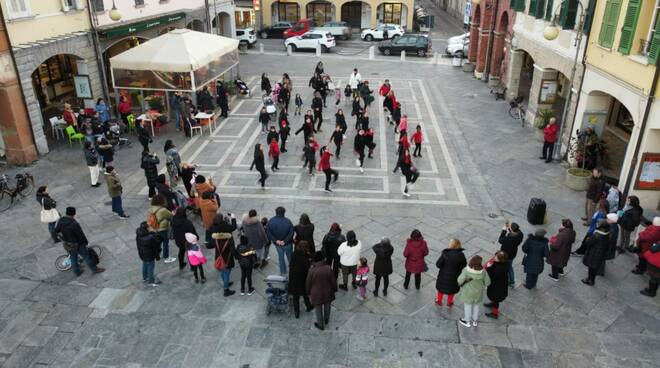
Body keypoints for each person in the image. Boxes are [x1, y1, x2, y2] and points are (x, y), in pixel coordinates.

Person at [54, 207, 106, 276]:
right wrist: (86, 242)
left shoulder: (61, 221)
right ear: (74, 214)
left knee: (73, 257)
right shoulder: (74, 223)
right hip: (78, 244)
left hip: (68, 244)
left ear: (66, 212)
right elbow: (81, 235)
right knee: (86, 257)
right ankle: (94, 269)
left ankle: (77, 271)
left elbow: (56, 231)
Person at [457, 255, 490, 328]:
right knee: (476, 307)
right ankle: (475, 321)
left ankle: (467, 321)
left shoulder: (466, 270)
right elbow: (488, 282)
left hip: (468, 292)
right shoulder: (483, 271)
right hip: (478, 292)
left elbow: (459, 280)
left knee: (468, 306)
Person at [306, 251, 337, 330]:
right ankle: (326, 319)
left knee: (318, 309)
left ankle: (320, 324)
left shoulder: (311, 270)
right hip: (328, 291)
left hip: (316, 293)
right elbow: (333, 280)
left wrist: (308, 291)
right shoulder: (328, 268)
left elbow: (308, 283)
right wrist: (335, 289)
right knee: (327, 306)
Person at [209, 213, 238, 296]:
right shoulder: (228, 239)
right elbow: (233, 250)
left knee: (222, 271)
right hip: (227, 258)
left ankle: (226, 283)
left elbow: (210, 245)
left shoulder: (214, 237)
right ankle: (226, 290)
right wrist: (237, 256)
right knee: (227, 273)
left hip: (218, 257)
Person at [434, 239, 467, 306]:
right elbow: (464, 265)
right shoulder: (461, 255)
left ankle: (439, 300)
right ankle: (450, 302)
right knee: (452, 290)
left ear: (452, 245)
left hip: (443, 276)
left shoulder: (445, 254)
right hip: (455, 276)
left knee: (441, 289)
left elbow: (438, 264)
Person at [266, 206, 295, 275]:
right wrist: (284, 241)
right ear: (284, 212)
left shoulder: (271, 221)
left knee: (280, 257)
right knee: (290, 256)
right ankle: (292, 268)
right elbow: (291, 233)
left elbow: (268, 233)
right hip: (287, 244)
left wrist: (276, 241)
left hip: (278, 245)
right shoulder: (288, 221)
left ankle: (283, 271)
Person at [581, 219, 610, 286]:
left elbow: (588, 242)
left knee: (591, 268)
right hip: (600, 254)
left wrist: (588, 239)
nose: (597, 224)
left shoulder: (597, 235)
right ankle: (591, 279)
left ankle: (590, 280)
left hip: (593, 254)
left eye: (599, 223)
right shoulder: (607, 234)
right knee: (594, 268)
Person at [289, 240, 314, 318]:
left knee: (295, 296)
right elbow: (308, 269)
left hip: (293, 278)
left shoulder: (294, 254)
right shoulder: (305, 257)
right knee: (305, 294)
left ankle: (297, 313)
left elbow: (291, 264)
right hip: (302, 279)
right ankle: (309, 306)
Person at [148, 194, 175, 263]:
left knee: (158, 242)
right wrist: (173, 213)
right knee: (165, 243)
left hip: (155, 228)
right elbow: (171, 216)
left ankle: (158, 255)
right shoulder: (163, 210)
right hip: (163, 228)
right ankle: (166, 257)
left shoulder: (151, 208)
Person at [484, 251, 509, 319]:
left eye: (496, 257)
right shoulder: (504, 264)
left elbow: (493, 275)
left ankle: (495, 314)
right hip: (499, 285)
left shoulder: (499, 268)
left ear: (500, 259)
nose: (494, 257)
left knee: (496, 300)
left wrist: (489, 268)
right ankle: (492, 303)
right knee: (494, 299)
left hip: (497, 287)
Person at [135, 221, 161, 286]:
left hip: (142, 253)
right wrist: (154, 232)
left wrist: (150, 232)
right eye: (149, 226)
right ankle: (151, 281)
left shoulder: (139, 233)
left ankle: (145, 278)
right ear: (147, 228)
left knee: (145, 264)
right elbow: (158, 241)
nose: (151, 227)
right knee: (150, 267)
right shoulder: (150, 237)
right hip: (150, 255)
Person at [498, 222, 523, 286]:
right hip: (513, 253)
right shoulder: (520, 234)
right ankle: (511, 280)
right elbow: (514, 233)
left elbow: (500, 240)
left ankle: (511, 280)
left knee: (508, 267)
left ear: (512, 230)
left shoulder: (509, 238)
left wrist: (504, 231)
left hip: (506, 254)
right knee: (509, 266)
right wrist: (509, 228)